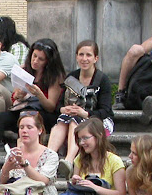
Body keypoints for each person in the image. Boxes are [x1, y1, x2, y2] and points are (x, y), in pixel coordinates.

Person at [0, 38, 66, 154]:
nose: (35, 61)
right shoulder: (24, 70)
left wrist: (39, 94)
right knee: (2, 117)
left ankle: (23, 151)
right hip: (23, 109)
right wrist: (18, 95)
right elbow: (15, 97)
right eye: (34, 56)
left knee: (28, 113)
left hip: (44, 114)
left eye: (40, 59)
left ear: (48, 61)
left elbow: (51, 106)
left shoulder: (54, 76)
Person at [47, 40, 113, 179]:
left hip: (98, 119)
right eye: (81, 55)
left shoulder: (102, 79)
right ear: (76, 57)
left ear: (96, 58)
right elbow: (59, 105)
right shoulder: (72, 77)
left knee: (75, 121)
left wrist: (86, 113)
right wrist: (64, 109)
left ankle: (69, 161)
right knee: (63, 120)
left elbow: (106, 110)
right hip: (72, 116)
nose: (84, 59)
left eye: (88, 55)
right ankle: (49, 158)